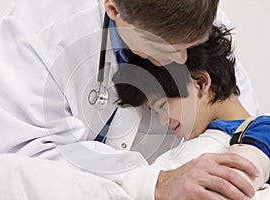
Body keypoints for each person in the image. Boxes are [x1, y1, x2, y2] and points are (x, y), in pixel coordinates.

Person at [0, 0, 260, 199]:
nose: (182, 60)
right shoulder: (37, 35)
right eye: (163, 46)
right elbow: (22, 158)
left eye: (190, 45)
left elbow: (232, 114)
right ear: (113, 9)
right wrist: (154, 184)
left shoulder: (193, 19)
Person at [113, 25, 270, 198]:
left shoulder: (261, 129)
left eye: (163, 106)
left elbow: (237, 182)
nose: (163, 121)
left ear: (201, 83)